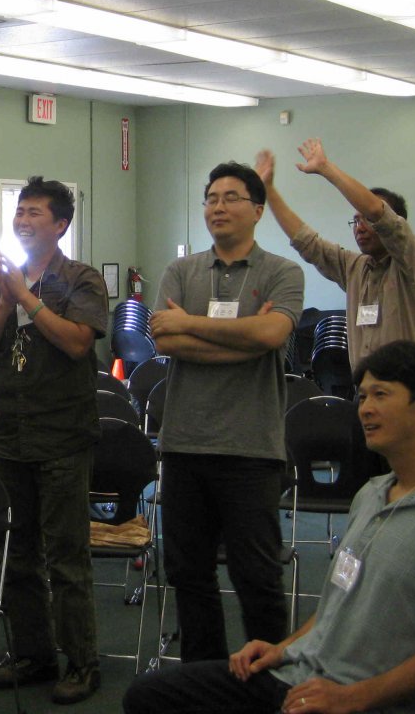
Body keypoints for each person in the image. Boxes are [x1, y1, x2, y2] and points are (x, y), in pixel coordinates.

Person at [123, 340, 415, 714]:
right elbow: (338, 603)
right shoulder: (372, 494)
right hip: (299, 676)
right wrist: (282, 649)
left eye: (381, 395)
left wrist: (354, 698)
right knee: (148, 697)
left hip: (360, 700)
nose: (365, 409)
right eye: (362, 397)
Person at [151, 161, 304, 662]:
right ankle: (204, 679)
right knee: (188, 573)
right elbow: (166, 340)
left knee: (256, 575)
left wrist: (190, 324)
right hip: (184, 446)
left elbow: (272, 334)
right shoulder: (181, 271)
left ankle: (268, 680)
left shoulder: (282, 272)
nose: (218, 206)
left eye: (231, 197)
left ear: (257, 210)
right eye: (211, 198)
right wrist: (246, 340)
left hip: (251, 449)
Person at [0, 176, 108, 705]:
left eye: (35, 213)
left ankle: (83, 662)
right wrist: (6, 302)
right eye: (19, 211)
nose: (23, 220)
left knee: (67, 558)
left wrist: (26, 296)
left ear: (61, 224)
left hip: (63, 436)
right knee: (16, 553)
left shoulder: (81, 280)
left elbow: (77, 343)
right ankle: (35, 653)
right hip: (9, 436)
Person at [255, 139, 415, 368]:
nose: (359, 228)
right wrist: (269, 190)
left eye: (367, 220)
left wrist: (325, 168)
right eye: (355, 221)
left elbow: (378, 212)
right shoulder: (355, 268)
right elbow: (307, 242)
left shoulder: (414, 259)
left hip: (413, 387)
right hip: (365, 386)